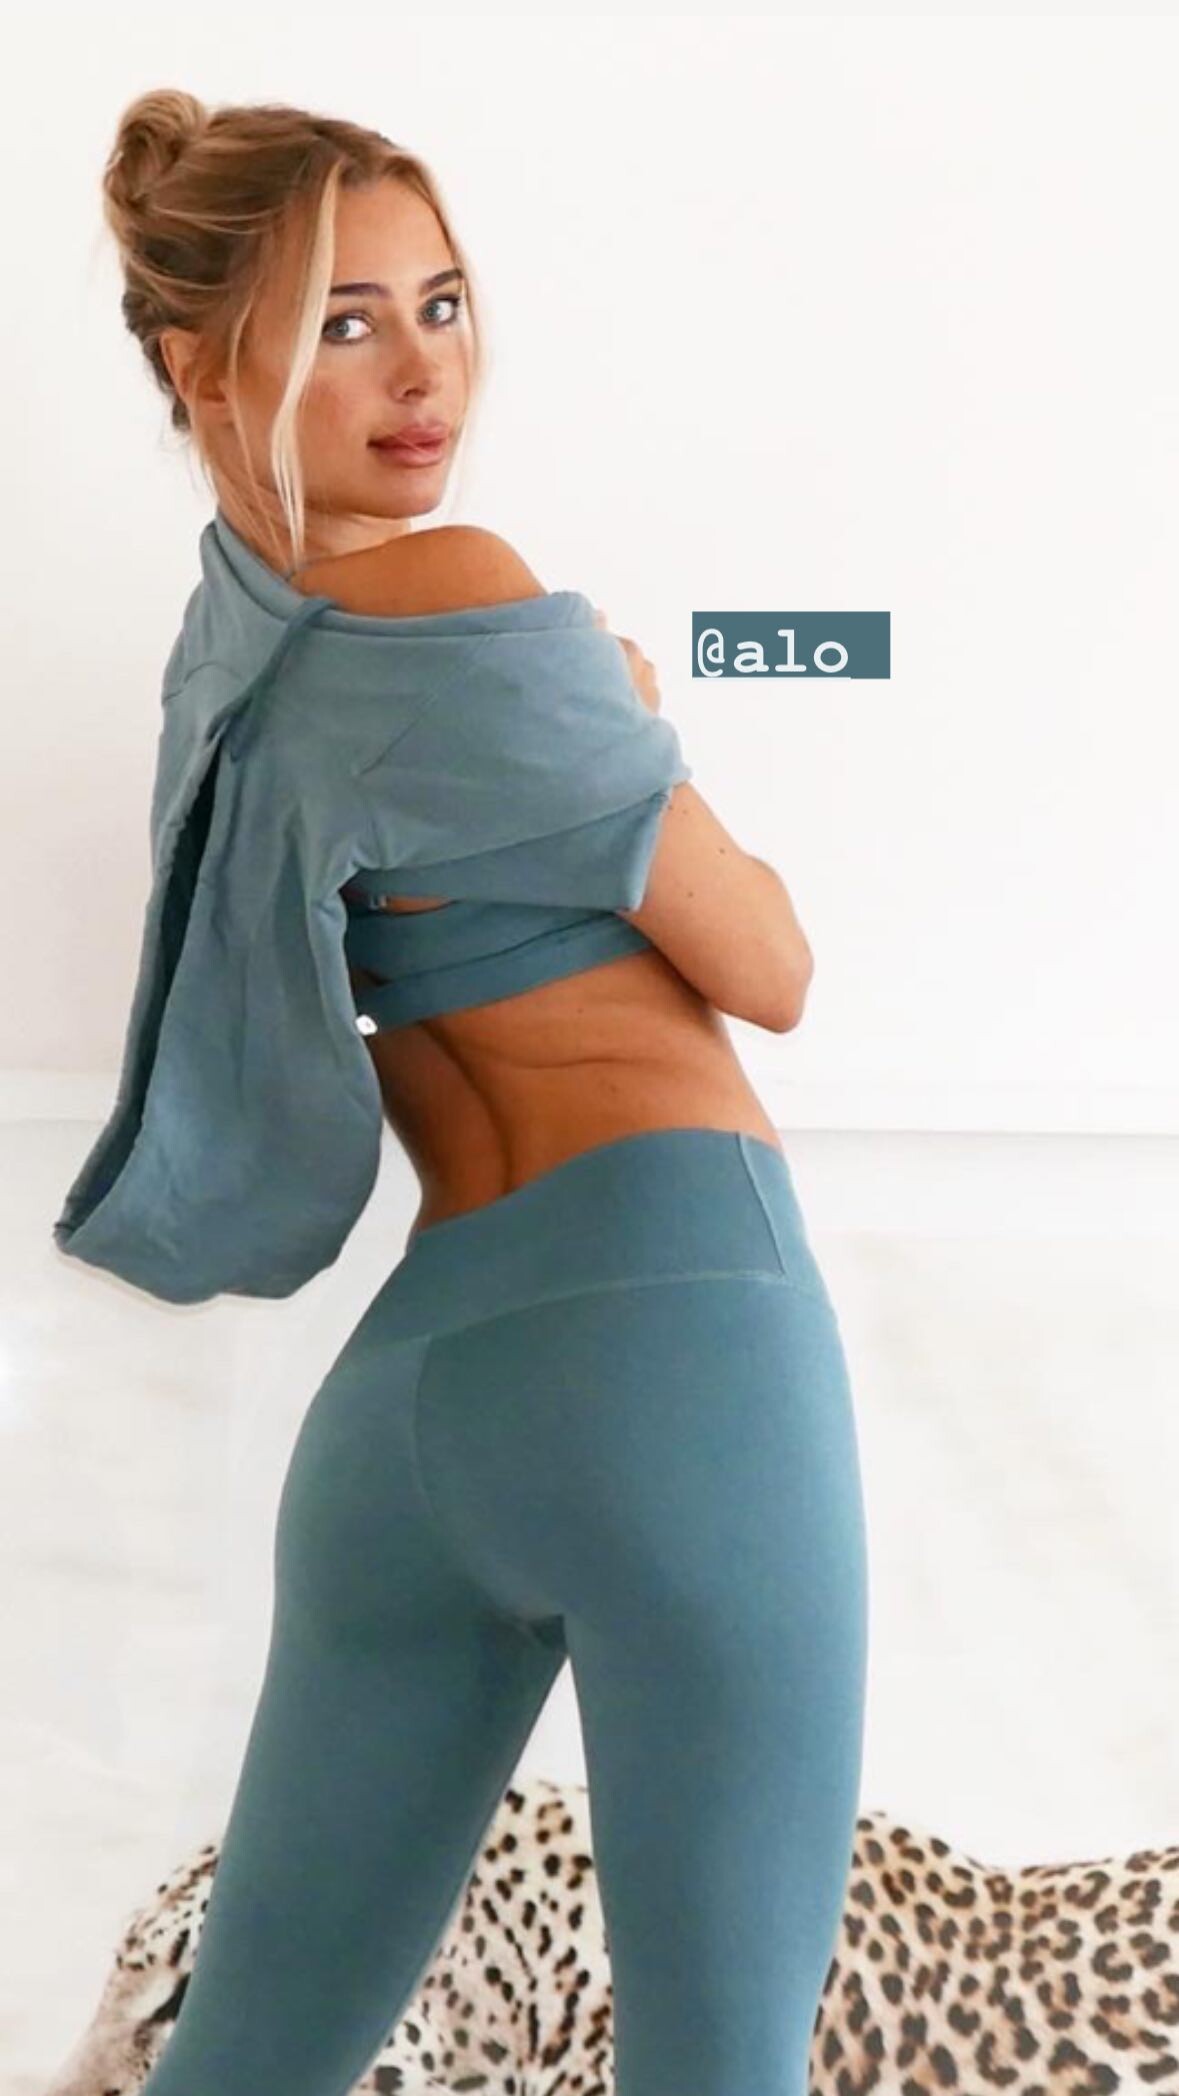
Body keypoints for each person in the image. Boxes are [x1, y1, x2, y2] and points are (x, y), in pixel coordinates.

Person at [95, 86, 870, 2096]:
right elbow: (769, 965)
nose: (422, 370)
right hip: (673, 1346)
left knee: (240, 2066)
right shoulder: (468, 593)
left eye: (437, 303)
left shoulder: (226, 661)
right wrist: (632, 711)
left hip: (410, 1409)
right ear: (201, 365)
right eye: (340, 323)